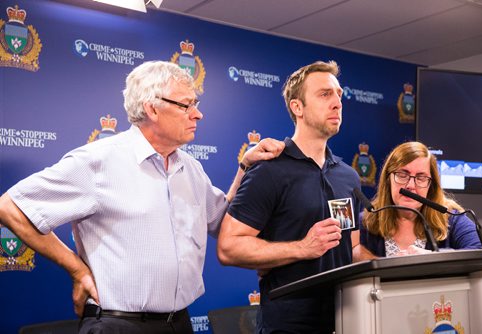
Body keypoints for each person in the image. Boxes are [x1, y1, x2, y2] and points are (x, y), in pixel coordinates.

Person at [0, 61, 284, 334]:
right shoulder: (99, 160)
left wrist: (245, 167)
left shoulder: (191, 168)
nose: (198, 114)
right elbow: (10, 207)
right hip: (118, 325)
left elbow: (224, 223)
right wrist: (76, 269)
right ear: (152, 109)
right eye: (187, 105)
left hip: (179, 322)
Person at [217, 60, 361, 333]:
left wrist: (399, 261)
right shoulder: (269, 171)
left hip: (345, 322)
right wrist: (302, 248)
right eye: (324, 94)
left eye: (339, 95)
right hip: (288, 326)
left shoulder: (347, 176)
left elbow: (350, 248)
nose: (337, 103)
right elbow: (228, 247)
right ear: (297, 107)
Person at [353, 141, 482, 260]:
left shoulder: (451, 218)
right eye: (402, 175)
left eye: (421, 178)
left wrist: (432, 257)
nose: (410, 186)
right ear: (388, 180)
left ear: (431, 186)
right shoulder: (366, 221)